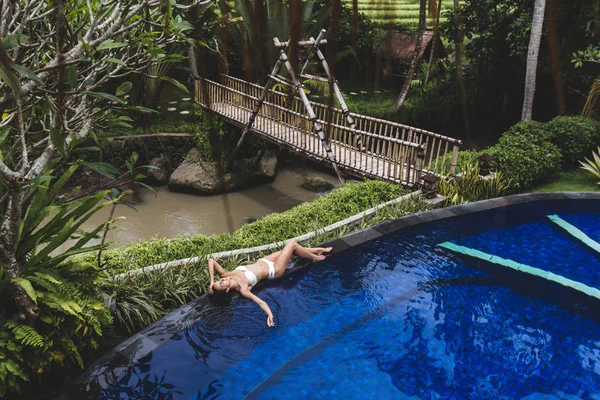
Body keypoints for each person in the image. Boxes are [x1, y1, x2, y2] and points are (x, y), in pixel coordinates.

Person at [207, 240, 332, 327]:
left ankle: (318, 250)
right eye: (221, 284)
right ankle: (314, 257)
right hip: (274, 269)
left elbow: (211, 260)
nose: (221, 280)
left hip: (265, 260)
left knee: (292, 250)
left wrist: (212, 281)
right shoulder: (243, 289)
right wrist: (269, 315)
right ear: (227, 290)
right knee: (292, 245)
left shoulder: (226, 275)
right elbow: (261, 302)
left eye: (219, 281)